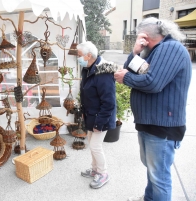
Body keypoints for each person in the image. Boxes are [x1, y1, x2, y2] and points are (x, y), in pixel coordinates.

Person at [114, 17, 192, 201]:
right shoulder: (156, 51)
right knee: (153, 171)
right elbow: (135, 71)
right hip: (152, 123)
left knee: (160, 178)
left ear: (145, 37)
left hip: (162, 125)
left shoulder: (169, 48)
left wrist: (125, 78)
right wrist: (135, 53)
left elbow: (153, 83)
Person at [77, 41, 117, 189]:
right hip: (90, 115)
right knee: (91, 143)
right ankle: (95, 170)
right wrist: (83, 113)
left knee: (95, 146)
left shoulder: (103, 72)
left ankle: (103, 173)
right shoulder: (88, 69)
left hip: (101, 117)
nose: (78, 58)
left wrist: (99, 123)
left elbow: (109, 103)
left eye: (80, 55)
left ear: (89, 55)